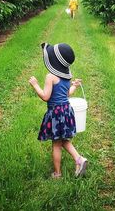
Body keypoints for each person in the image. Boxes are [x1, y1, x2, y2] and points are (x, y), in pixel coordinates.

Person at [29, 42, 87, 178]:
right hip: (67, 111)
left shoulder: (50, 77)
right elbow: (67, 94)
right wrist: (74, 86)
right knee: (62, 140)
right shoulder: (67, 77)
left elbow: (45, 96)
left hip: (56, 113)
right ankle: (79, 159)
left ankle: (57, 173)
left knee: (56, 144)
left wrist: (35, 85)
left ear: (52, 61)